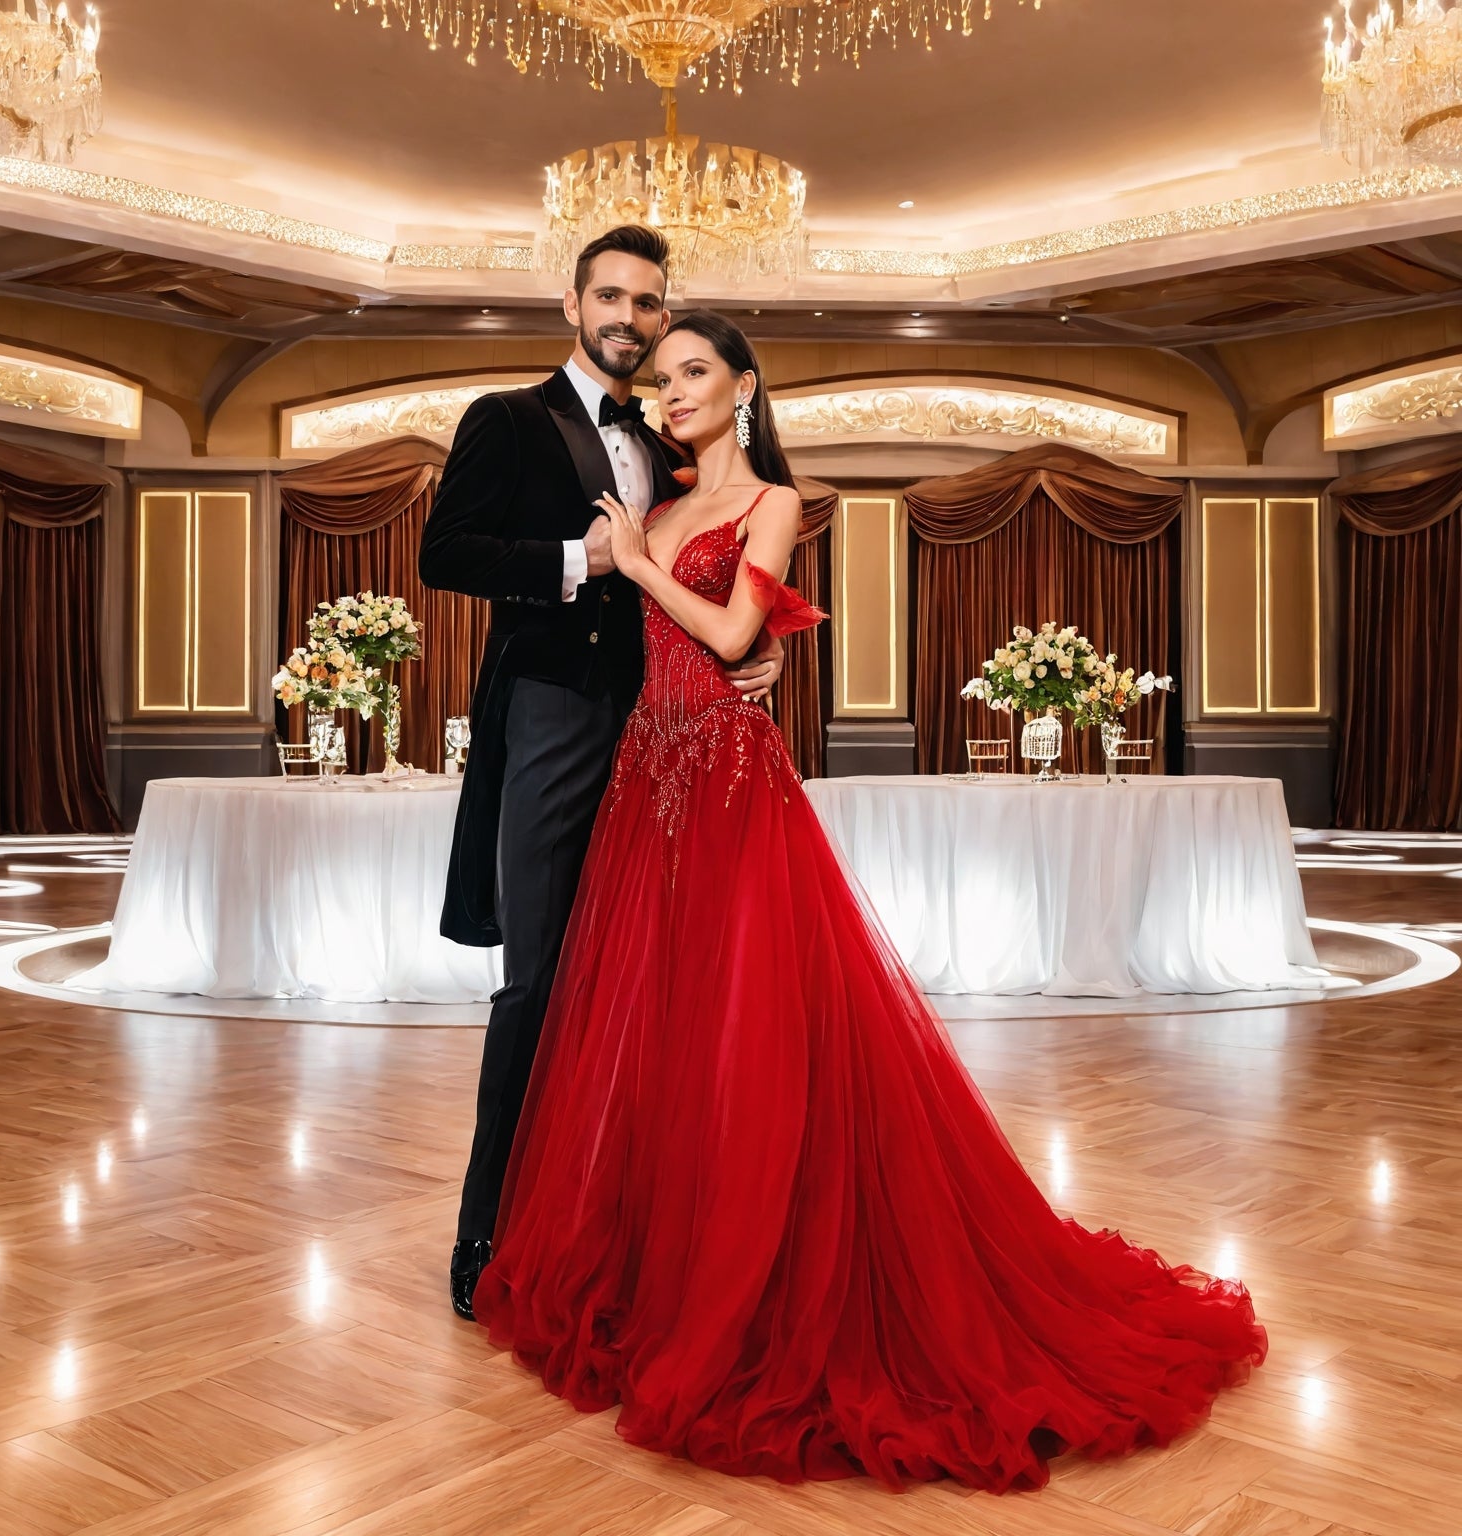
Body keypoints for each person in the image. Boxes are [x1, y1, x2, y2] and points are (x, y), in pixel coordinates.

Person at [471, 309, 1267, 1493]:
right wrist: (668, 598)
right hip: (649, 785)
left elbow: (738, 626)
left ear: (744, 388)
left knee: (757, 1036)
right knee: (668, 1045)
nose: (675, 390)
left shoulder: (769, 503)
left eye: (698, 372)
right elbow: (664, 650)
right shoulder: (659, 505)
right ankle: (668, 1271)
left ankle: (769, 1278)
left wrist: (661, 583)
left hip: (737, 792)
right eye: (667, 376)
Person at [418, 227, 783, 1320]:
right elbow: (446, 553)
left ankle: (626, 1224)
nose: (630, 317)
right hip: (554, 719)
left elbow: (719, 564)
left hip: (659, 741)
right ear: (573, 302)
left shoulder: (664, 441)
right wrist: (584, 561)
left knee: (649, 988)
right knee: (535, 980)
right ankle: (486, 1227)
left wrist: (753, 652)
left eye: (650, 303)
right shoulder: (510, 421)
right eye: (611, 296)